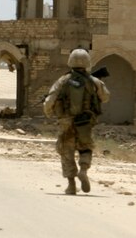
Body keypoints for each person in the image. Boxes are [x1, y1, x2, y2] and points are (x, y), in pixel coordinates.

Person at [43, 48, 111, 194]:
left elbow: (50, 100)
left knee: (66, 151)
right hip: (86, 121)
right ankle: (84, 169)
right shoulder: (94, 81)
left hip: (66, 121)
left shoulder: (63, 80)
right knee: (85, 147)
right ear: (87, 62)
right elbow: (105, 97)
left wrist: (49, 113)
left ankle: (71, 184)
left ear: (70, 62)